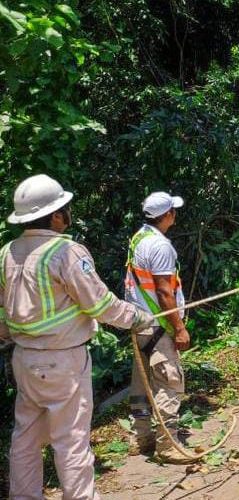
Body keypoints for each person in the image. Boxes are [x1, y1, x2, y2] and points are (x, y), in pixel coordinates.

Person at [0, 174, 152, 500]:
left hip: (24, 359)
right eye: (65, 208)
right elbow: (100, 304)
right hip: (63, 360)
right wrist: (138, 317)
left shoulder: (7, 253)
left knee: (25, 439)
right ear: (56, 216)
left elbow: (3, 313)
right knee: (70, 440)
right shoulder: (66, 252)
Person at [125, 191, 193, 464]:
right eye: (173, 211)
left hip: (138, 322)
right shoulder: (161, 246)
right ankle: (167, 444)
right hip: (158, 323)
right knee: (169, 382)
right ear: (167, 215)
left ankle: (141, 438)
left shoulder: (138, 238)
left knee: (141, 383)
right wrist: (178, 328)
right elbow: (165, 292)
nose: (175, 215)